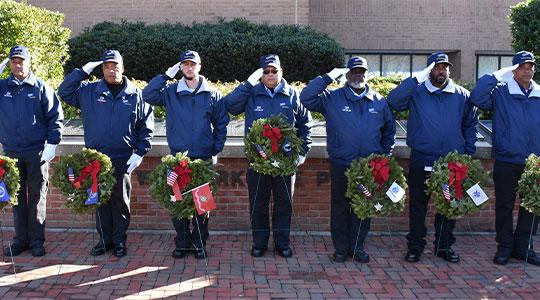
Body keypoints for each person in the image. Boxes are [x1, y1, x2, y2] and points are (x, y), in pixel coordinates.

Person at [58, 50, 154, 257]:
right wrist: (82, 71)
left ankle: (119, 241)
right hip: (97, 158)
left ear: (123, 68)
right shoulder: (89, 91)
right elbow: (64, 91)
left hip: (123, 157)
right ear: (102, 70)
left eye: (115, 66)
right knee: (100, 200)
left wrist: (140, 152)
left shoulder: (137, 94)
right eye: (106, 67)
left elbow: (146, 126)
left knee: (120, 200)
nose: (111, 70)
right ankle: (104, 240)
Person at [300, 57, 395, 263]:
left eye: (362, 71)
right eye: (354, 71)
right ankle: (341, 249)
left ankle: (358, 247)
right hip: (342, 164)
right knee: (341, 208)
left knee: (363, 207)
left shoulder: (379, 101)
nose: (358, 74)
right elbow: (306, 97)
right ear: (347, 74)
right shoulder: (332, 98)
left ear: (367, 74)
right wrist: (328, 76)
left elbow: (389, 130)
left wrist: (385, 155)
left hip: (369, 168)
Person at [387, 52, 478, 263]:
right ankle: (415, 247)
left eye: (444, 67)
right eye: (436, 67)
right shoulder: (416, 91)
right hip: (422, 158)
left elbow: (470, 123)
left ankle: (444, 246)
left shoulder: (461, 94)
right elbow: (393, 100)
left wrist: (468, 151)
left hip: (452, 161)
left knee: (449, 204)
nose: (441, 71)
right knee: (418, 205)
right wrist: (417, 78)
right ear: (429, 71)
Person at [142, 50, 229, 259]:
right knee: (177, 201)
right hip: (178, 158)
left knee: (202, 204)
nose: (189, 68)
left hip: (203, 159)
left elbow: (221, 124)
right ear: (180, 67)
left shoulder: (212, 93)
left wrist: (215, 149)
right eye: (185, 64)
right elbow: (147, 95)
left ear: (199, 66)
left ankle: (199, 243)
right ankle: (182, 242)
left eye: (193, 64)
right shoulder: (171, 92)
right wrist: (165, 76)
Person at [223, 54, 312, 258]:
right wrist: (247, 84)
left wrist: (303, 152)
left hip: (286, 162)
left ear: (281, 72)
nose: (270, 75)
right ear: (260, 74)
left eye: (274, 71)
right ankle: (260, 243)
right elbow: (229, 105)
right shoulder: (251, 93)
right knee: (258, 204)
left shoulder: (292, 94)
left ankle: (282, 244)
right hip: (258, 161)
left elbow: (305, 124)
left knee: (284, 204)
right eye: (266, 71)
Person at [470, 51, 540, 266]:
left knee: (532, 205)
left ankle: (524, 247)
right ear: (514, 69)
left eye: (531, 67)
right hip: (507, 159)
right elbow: (477, 97)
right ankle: (505, 247)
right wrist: (498, 74)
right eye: (522, 67)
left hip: (533, 163)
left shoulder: (539, 93)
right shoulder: (501, 91)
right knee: (504, 206)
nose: (527, 70)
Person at [0, 45, 64, 257]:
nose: (17, 65)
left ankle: (37, 240)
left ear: (29, 63)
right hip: (11, 151)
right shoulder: (3, 88)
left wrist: (52, 144)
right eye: (14, 61)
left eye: (21, 61)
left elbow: (55, 117)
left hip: (37, 152)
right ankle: (21, 240)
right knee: (16, 197)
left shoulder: (40, 87)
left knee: (37, 196)